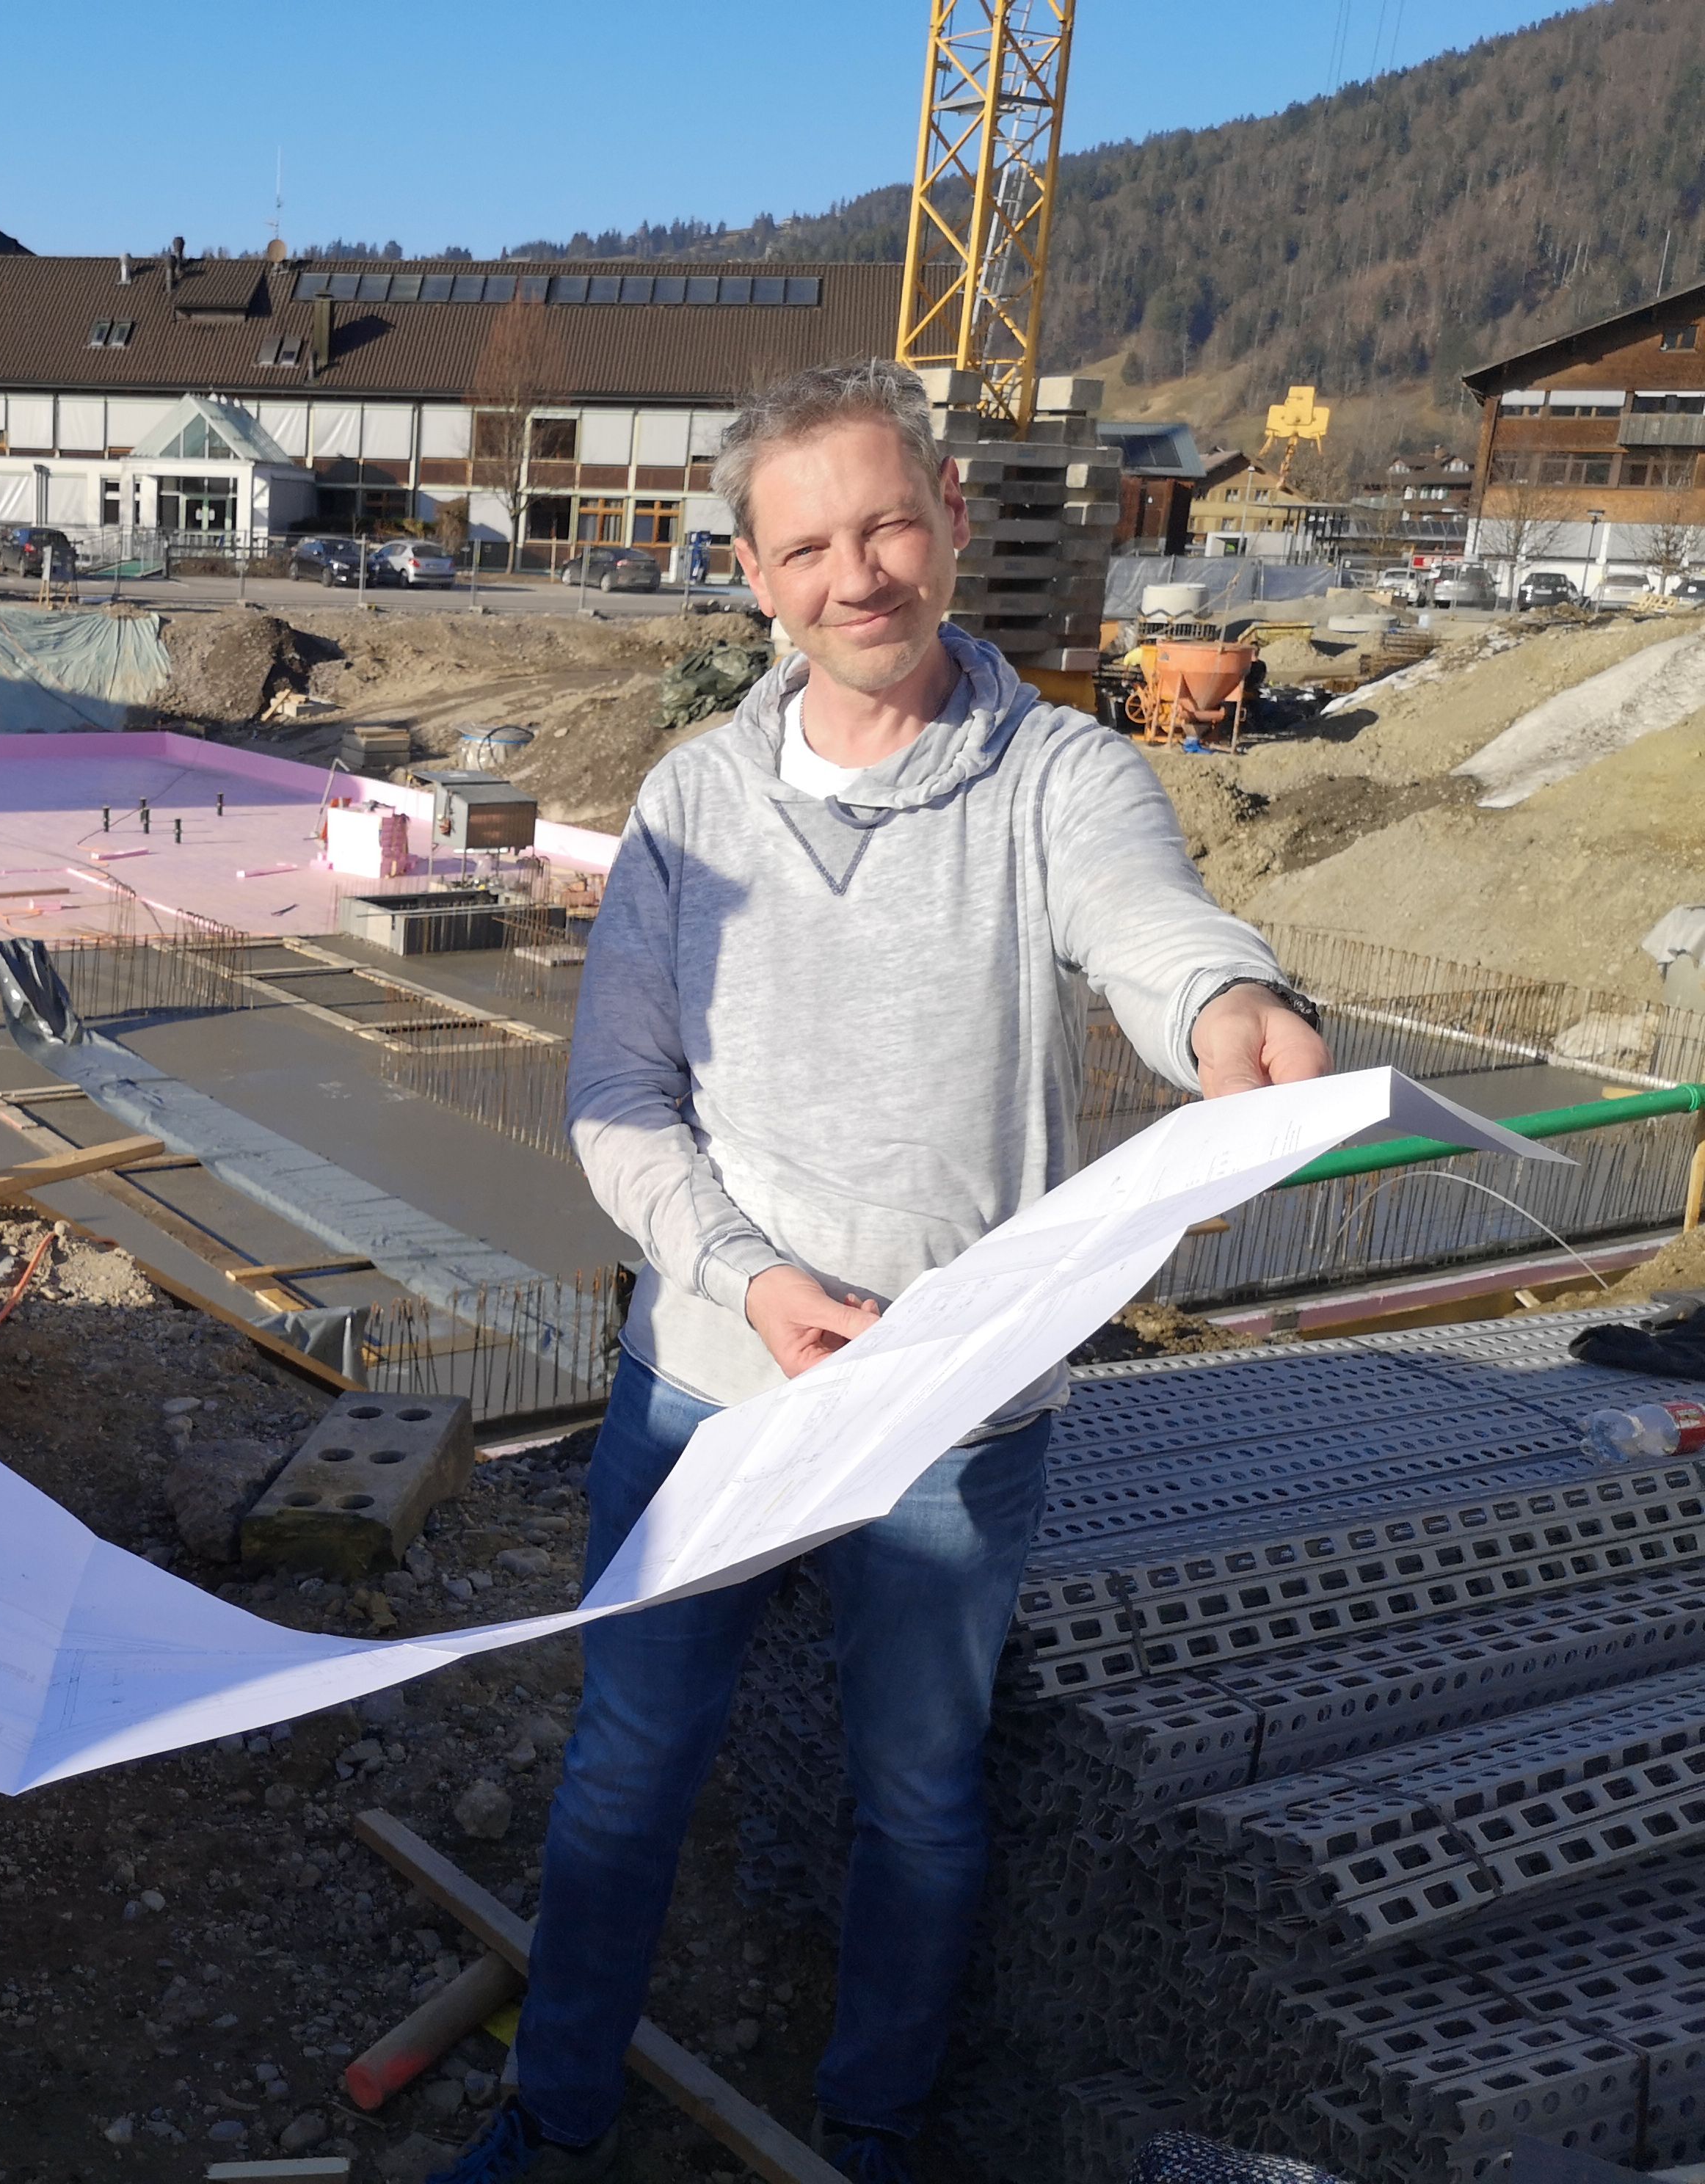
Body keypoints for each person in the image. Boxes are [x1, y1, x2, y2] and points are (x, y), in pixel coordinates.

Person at [432, 361, 1326, 2184]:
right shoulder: (692, 802)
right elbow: (617, 1100)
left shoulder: (1061, 775)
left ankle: (874, 2131)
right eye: (808, 547)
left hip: (949, 1410)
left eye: (888, 526)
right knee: (626, 1766)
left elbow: (1148, 925)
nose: (857, 577)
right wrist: (749, 1280)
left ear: (948, 520)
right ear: (753, 575)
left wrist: (1230, 1003)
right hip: (709, 1391)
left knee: (915, 1798)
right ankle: (558, 2112)